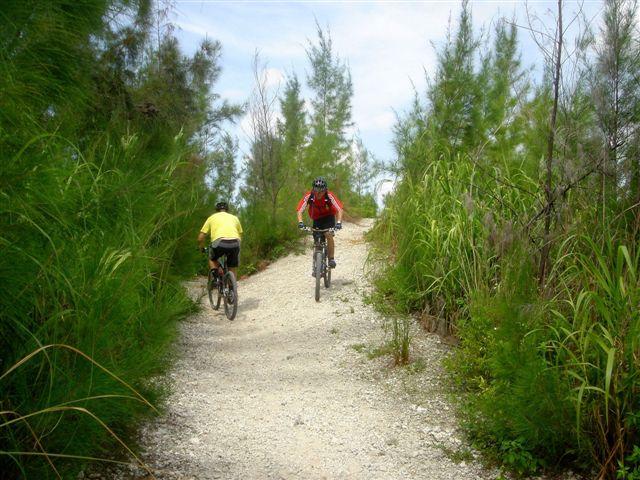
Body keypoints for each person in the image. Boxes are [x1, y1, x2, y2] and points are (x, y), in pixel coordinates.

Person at [296, 177, 344, 268]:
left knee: (328, 234)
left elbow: (340, 209)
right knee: (317, 240)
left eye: (321, 191)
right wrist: (300, 222)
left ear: (325, 190)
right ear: (313, 189)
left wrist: (338, 222)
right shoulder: (309, 196)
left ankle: (331, 259)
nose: (318, 194)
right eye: (316, 191)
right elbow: (299, 210)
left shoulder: (329, 195)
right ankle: (318, 263)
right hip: (317, 219)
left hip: (328, 217)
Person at [198, 201, 243, 279]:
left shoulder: (212, 218)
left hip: (219, 242)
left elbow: (200, 237)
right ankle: (232, 287)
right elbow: (240, 234)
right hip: (235, 242)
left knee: (212, 258)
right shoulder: (235, 218)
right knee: (232, 267)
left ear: (216, 210)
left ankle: (215, 278)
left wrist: (201, 247)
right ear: (227, 210)